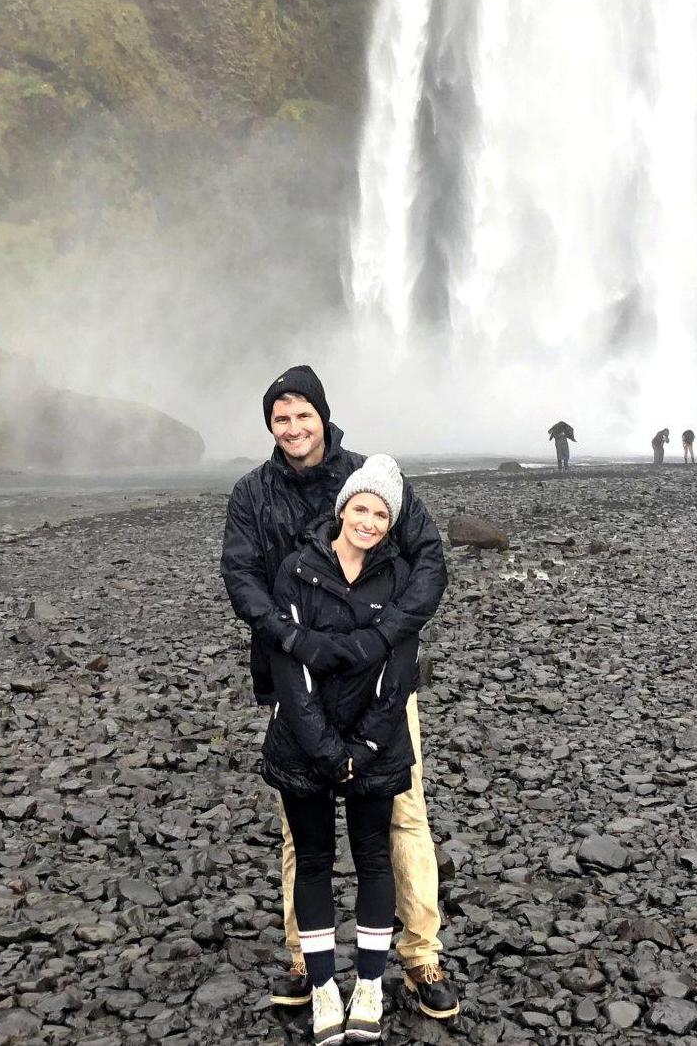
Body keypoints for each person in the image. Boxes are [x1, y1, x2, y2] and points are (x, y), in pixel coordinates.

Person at [221, 366, 459, 1020]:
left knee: (402, 815)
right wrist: (291, 641)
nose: (294, 428)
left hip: (380, 681)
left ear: (323, 415)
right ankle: (307, 959)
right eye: (281, 418)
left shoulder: (372, 479)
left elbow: (430, 560)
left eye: (303, 415)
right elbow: (240, 577)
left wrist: (383, 638)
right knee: (303, 830)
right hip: (296, 681)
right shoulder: (252, 494)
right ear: (270, 425)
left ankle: (420, 957)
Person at [263, 455, 420, 1045]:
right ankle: (326, 985)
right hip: (305, 742)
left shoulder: (400, 577)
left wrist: (368, 743)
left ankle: (371, 985)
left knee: (375, 859)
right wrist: (329, 750)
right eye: (362, 508)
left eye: (382, 513)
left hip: (373, 744)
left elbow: (398, 666)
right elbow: (290, 667)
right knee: (314, 860)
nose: (370, 521)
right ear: (342, 509)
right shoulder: (297, 571)